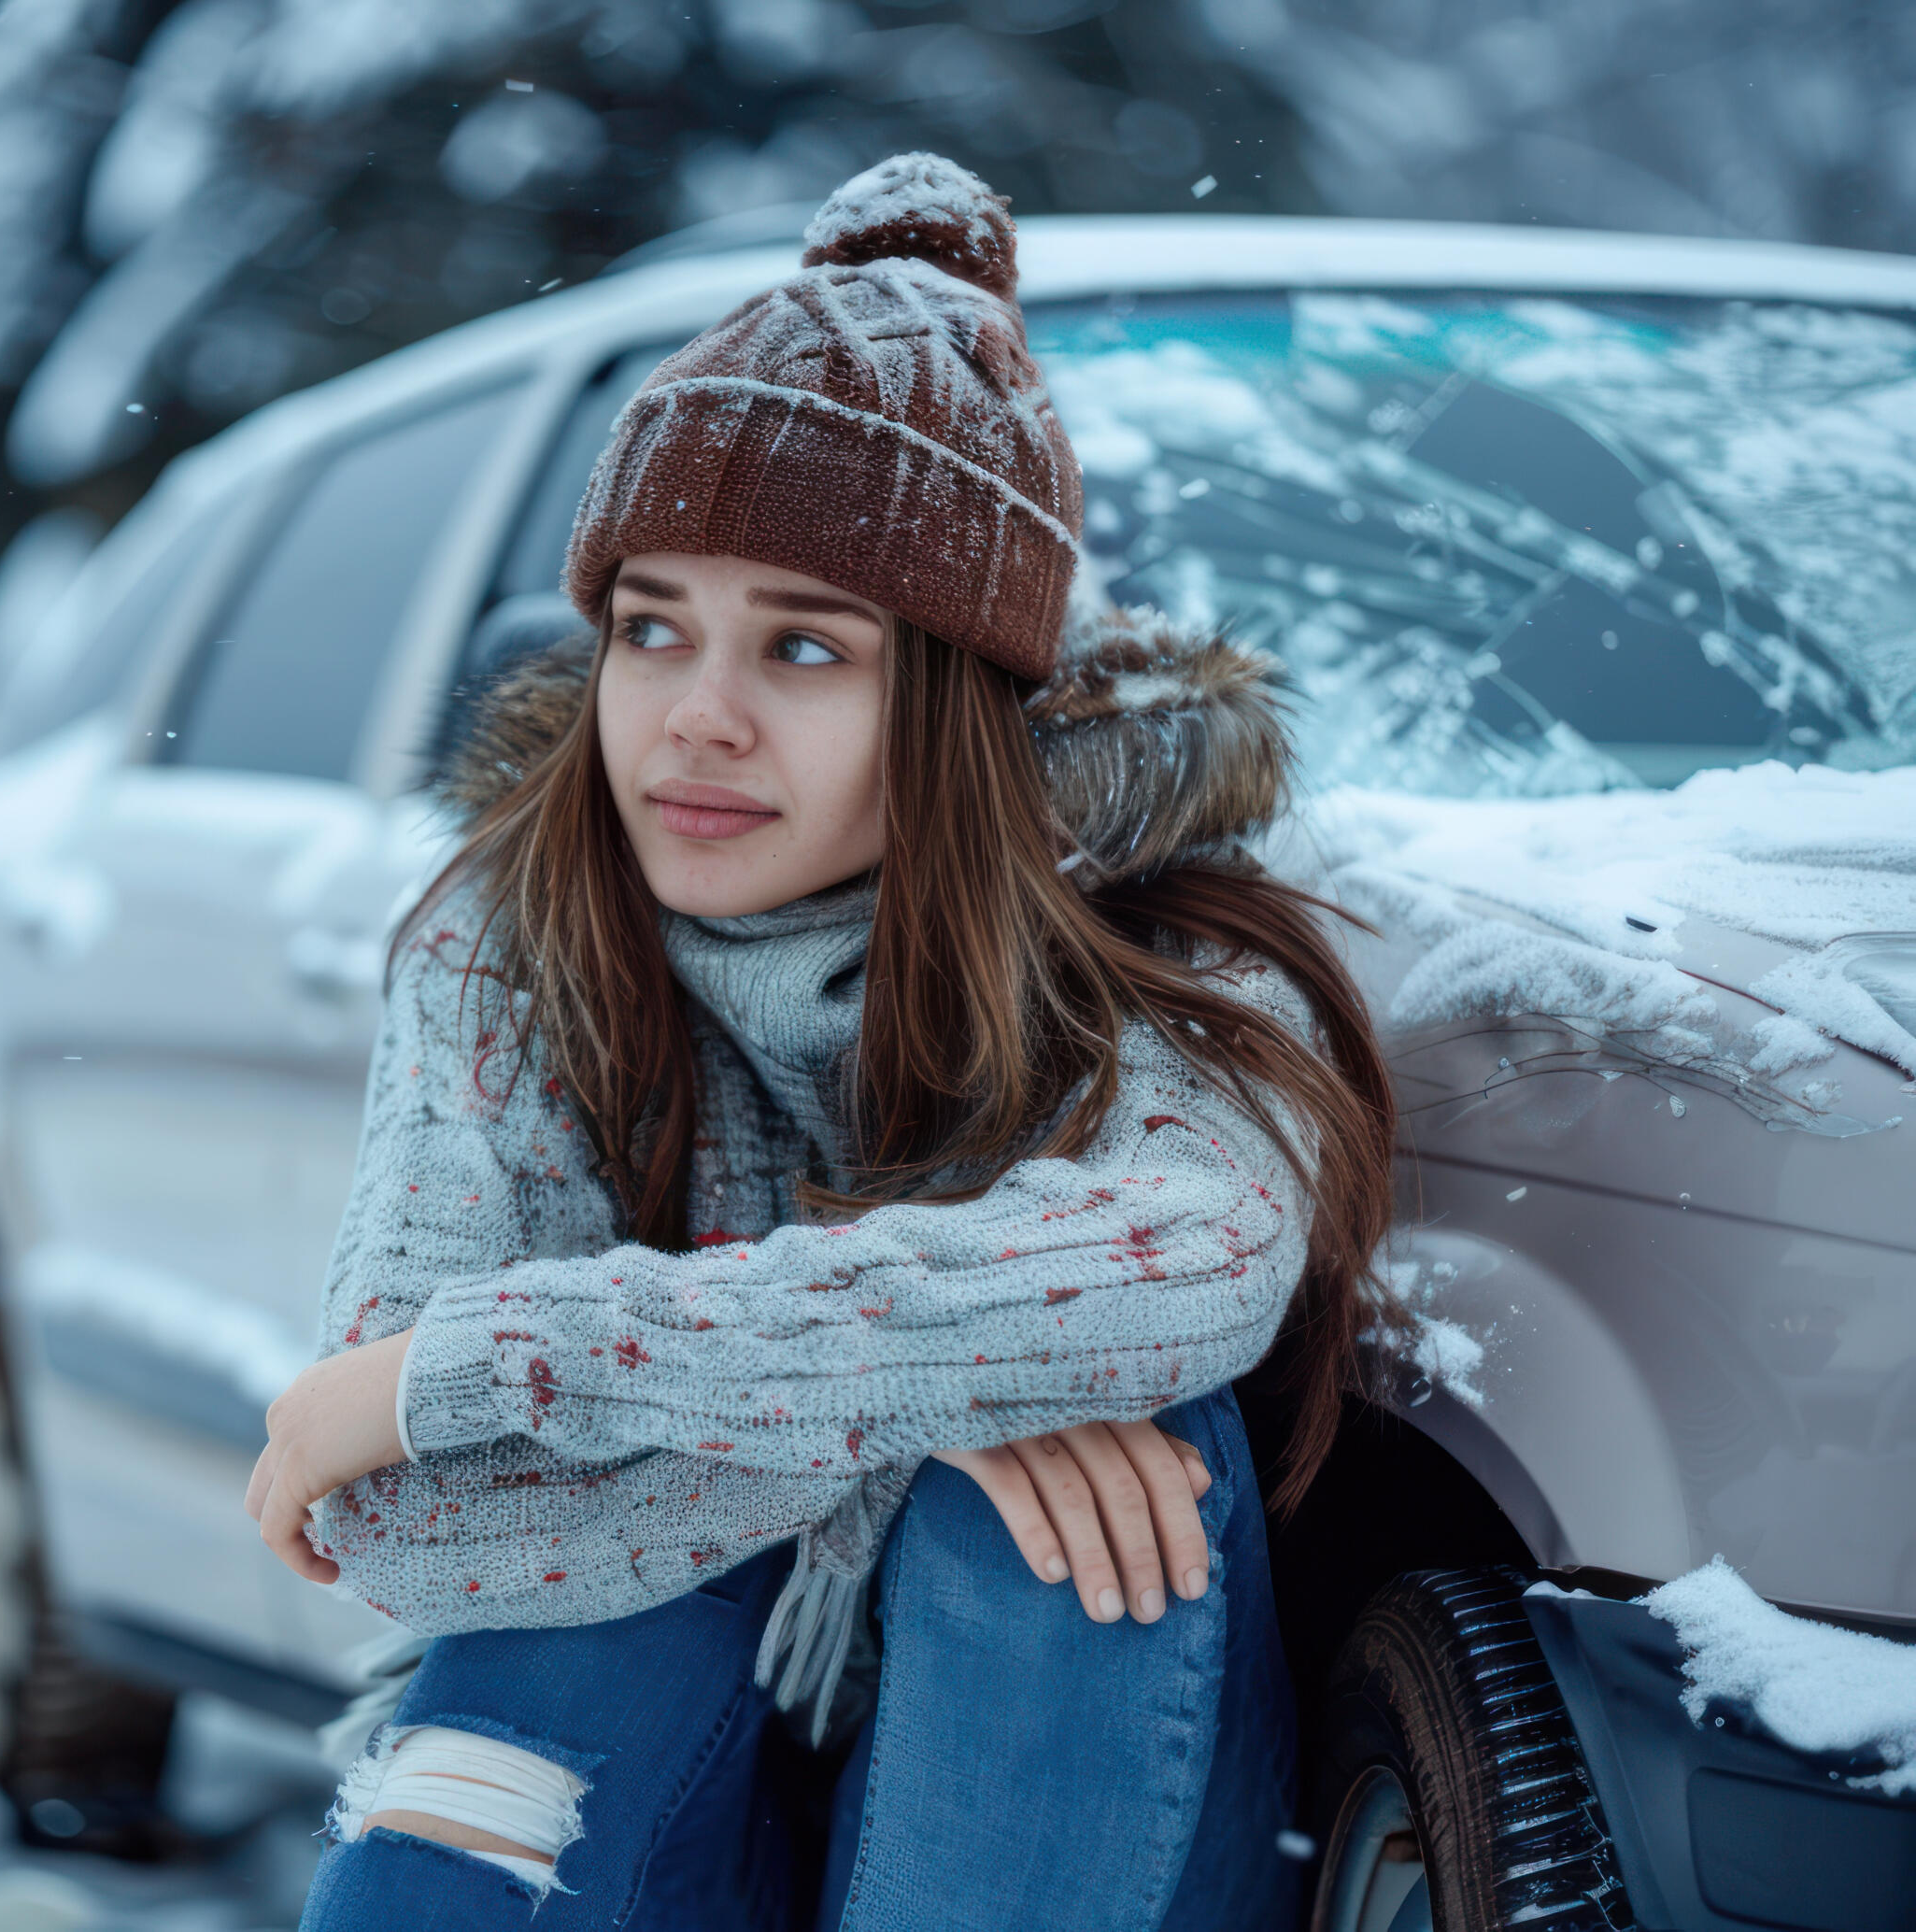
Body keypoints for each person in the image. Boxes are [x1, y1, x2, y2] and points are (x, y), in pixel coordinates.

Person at [243, 152, 1396, 1930]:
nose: (695, 720)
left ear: (945, 698)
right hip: (672, 1735)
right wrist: (948, 1379)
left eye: (802, 646)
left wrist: (520, 1367)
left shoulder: (1157, 942)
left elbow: (1193, 1259)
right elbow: (396, 1519)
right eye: (651, 628)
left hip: (1049, 1795)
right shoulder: (511, 933)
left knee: (1069, 1500)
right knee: (463, 1818)